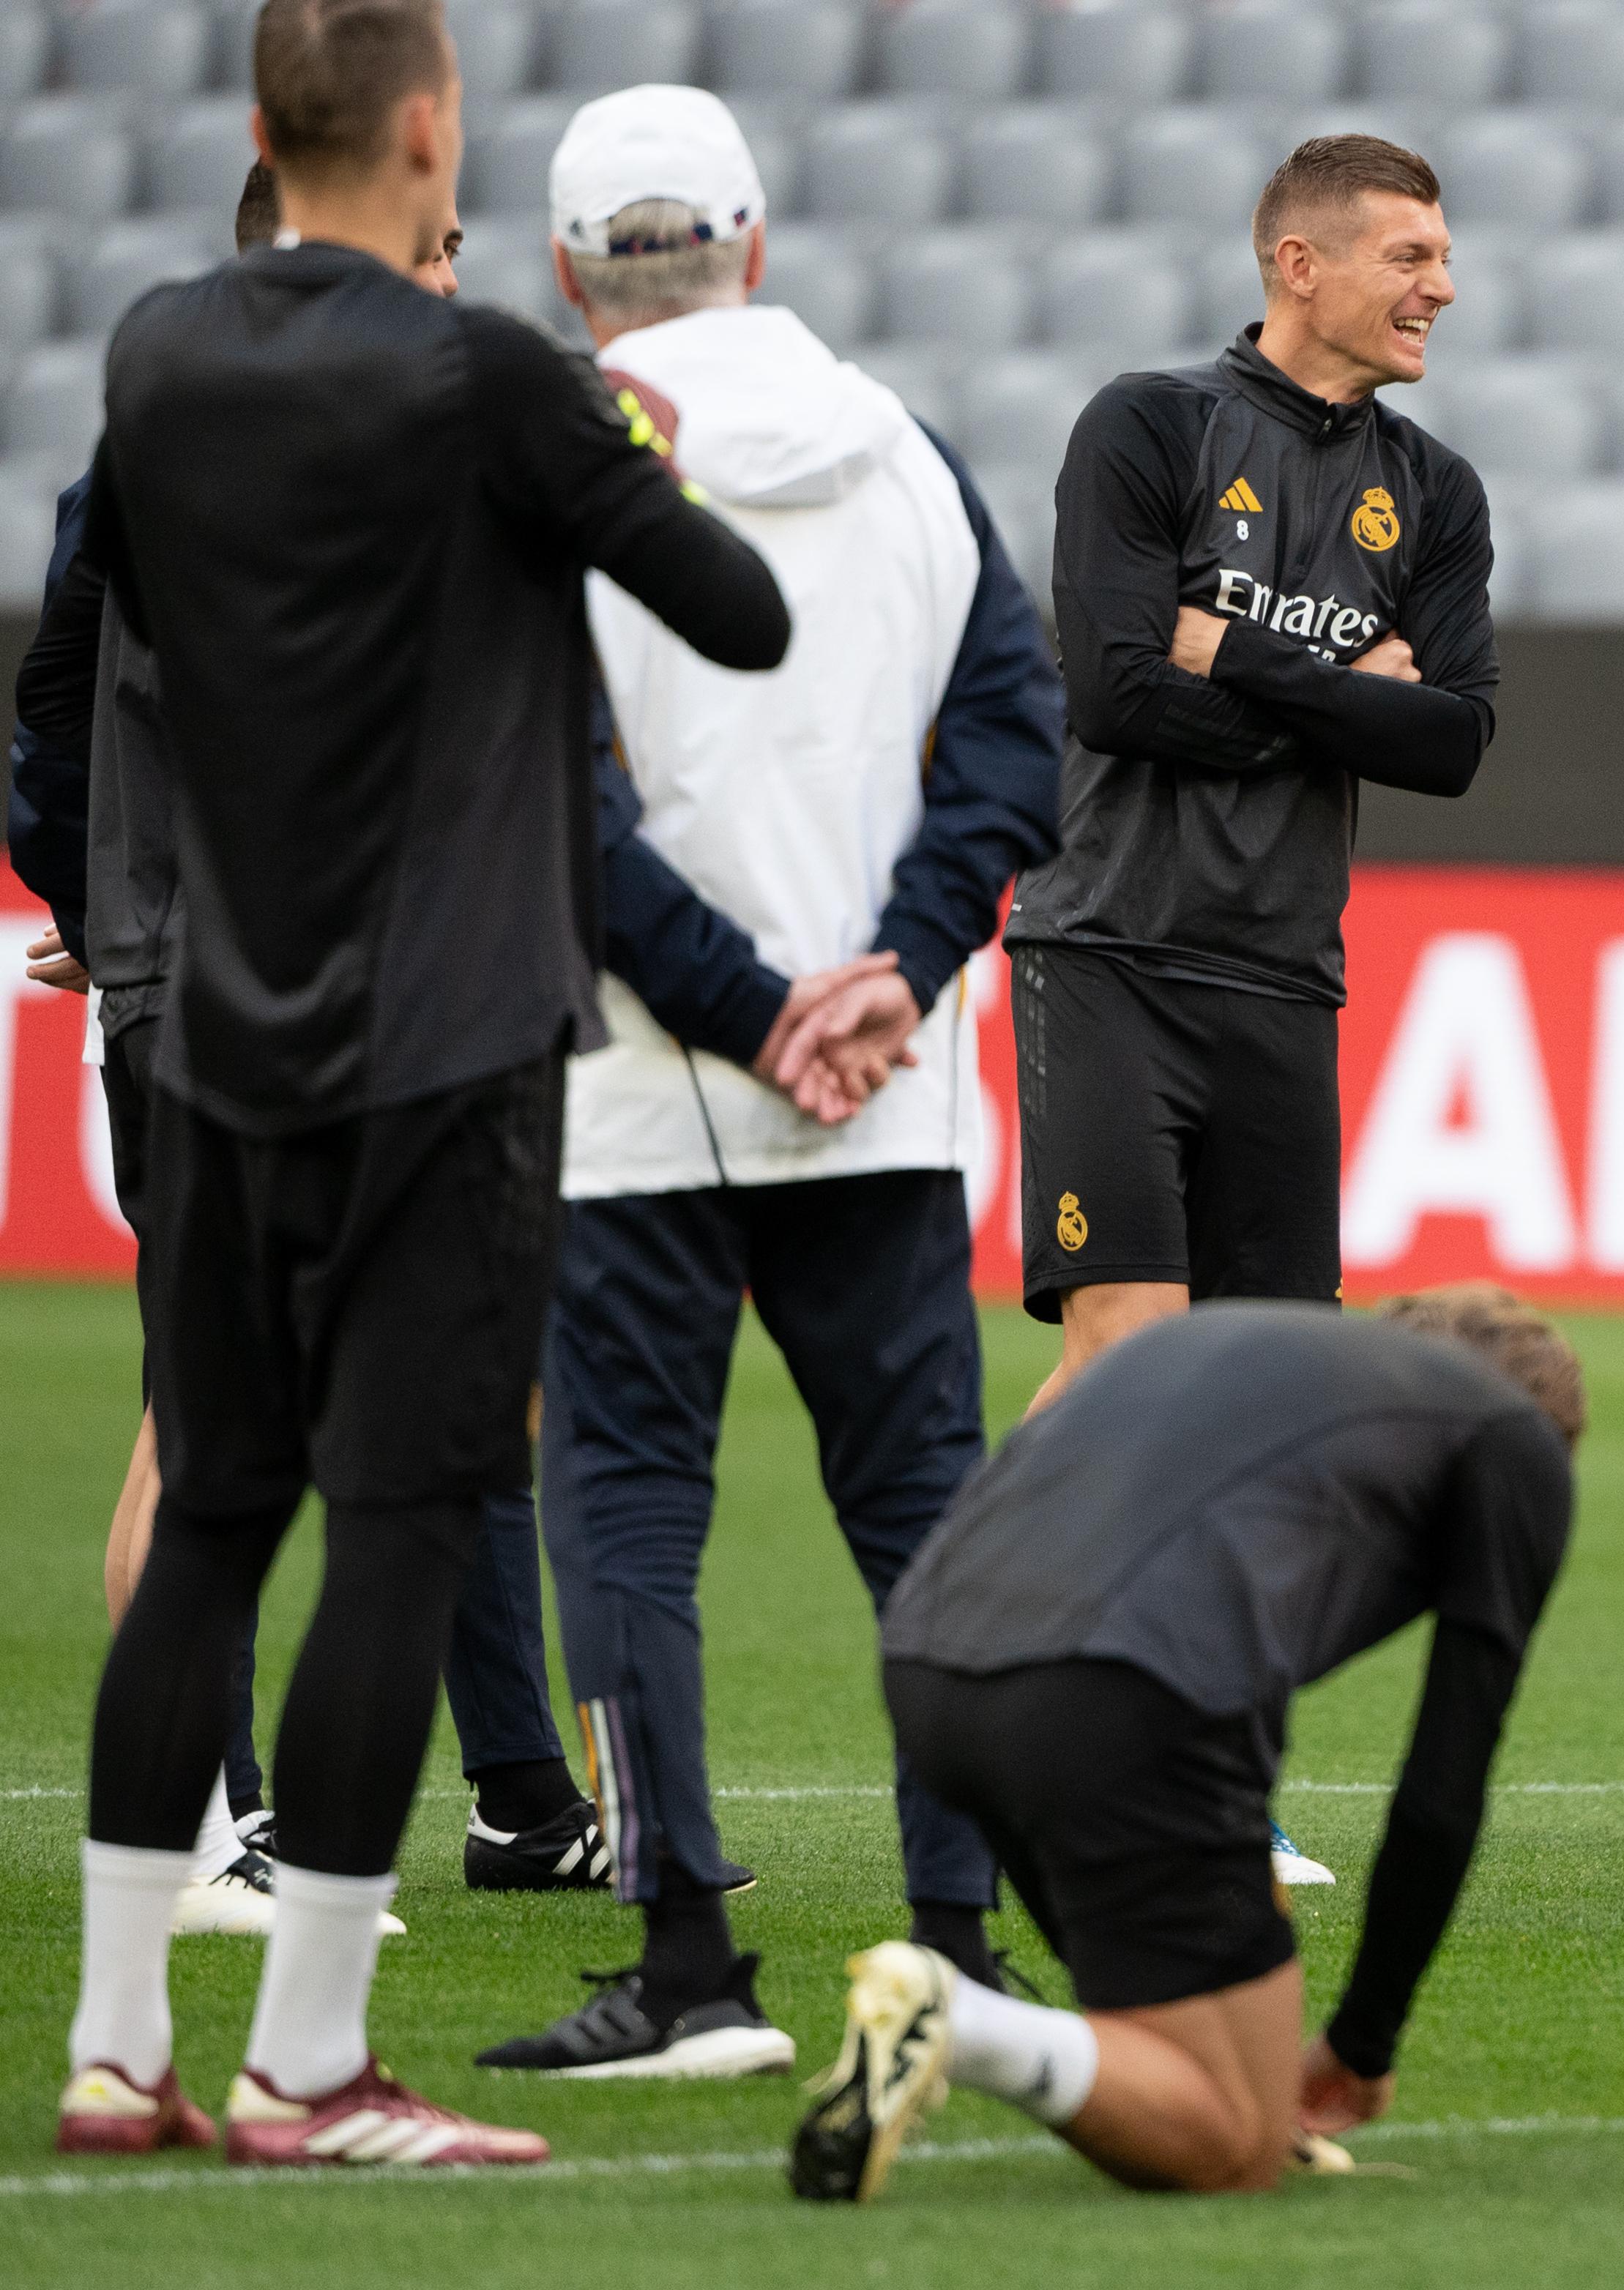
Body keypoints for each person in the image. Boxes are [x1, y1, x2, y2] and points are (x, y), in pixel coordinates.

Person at [52, 0, 789, 2167]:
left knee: (207, 1519)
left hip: (215, 1033)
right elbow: (732, 611)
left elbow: (72, 672)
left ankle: (118, 2046)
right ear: (429, 128)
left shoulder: (158, 361)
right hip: (447, 1043)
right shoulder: (493, 381)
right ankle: (303, 2061)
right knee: (396, 1528)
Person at [469, 83, 1062, 2081]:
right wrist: (886, 979)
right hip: (885, 1089)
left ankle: (688, 1966)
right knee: (926, 1520)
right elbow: (1015, 742)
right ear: (758, 242)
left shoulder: (541, 466)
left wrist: (740, 1008)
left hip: (641, 1084)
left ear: (566, 271)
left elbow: (540, 795)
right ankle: (963, 1945)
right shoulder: (902, 450)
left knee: (629, 1511)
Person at [10, 161, 623, 1945]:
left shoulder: (138, 456)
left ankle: (457, 1798)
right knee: (210, 1423)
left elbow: (55, 705)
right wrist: (129, 910)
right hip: (257, 983)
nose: (448, 278)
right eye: (428, 245)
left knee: (383, 1401)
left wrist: (96, 889)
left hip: (275, 978)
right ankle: (204, 1829)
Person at [1007, 128, 1497, 1884]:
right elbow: (1119, 688)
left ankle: (1211, 1775)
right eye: (1412, 255)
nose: (1442, 283)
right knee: (1132, 1351)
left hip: (1284, 972)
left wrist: (1244, 653)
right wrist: (1337, 686)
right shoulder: (1146, 428)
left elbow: (1452, 737)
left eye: (1443, 256)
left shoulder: (1433, 492)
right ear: (1301, 262)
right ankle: (991, 1668)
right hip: (1112, 947)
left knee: (1265, 1402)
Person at [784, 1286, 1579, 2201]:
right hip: (1116, 1698)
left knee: (1219, 2071)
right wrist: (1364, 2040)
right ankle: (959, 2017)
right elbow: (1443, 1782)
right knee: (1235, 2146)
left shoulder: (1230, 1347)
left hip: (931, 1670)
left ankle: (993, 2028)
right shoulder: (1512, 1436)